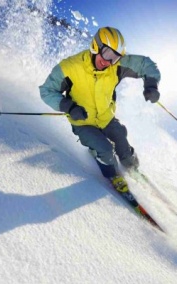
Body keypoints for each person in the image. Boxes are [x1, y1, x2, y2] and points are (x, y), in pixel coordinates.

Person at [39, 27, 161, 191]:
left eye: (115, 57)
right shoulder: (70, 67)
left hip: (106, 118)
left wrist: (151, 85)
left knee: (122, 142)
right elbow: (47, 91)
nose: (108, 61)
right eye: (107, 54)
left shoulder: (116, 65)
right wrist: (69, 106)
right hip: (83, 121)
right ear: (95, 46)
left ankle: (132, 166)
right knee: (106, 150)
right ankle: (112, 175)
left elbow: (146, 64)